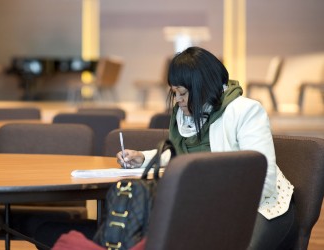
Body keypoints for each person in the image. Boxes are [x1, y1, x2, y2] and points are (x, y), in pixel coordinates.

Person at [117, 46, 298, 250]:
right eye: (174, 92)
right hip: (212, 207)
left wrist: (210, 201)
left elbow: (263, 182)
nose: (177, 99)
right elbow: (182, 156)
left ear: (201, 86)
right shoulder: (185, 113)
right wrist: (144, 157)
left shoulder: (244, 111)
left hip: (262, 208)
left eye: (182, 92)